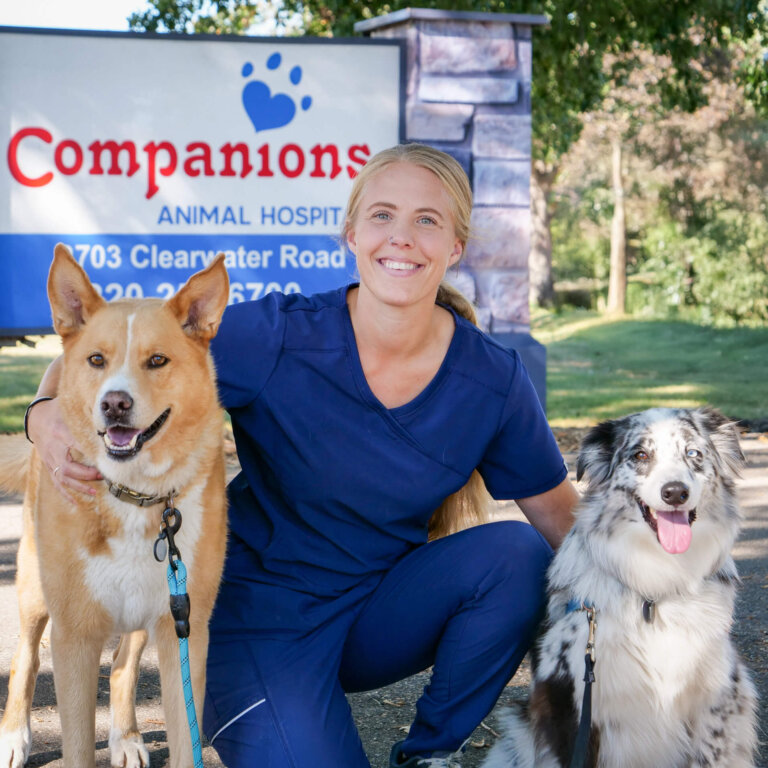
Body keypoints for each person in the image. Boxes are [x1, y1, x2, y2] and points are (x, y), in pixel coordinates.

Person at [27, 143, 578, 768]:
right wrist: (42, 415)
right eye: (382, 216)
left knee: (515, 555)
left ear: (455, 246)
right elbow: (104, 348)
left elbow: (565, 523)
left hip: (375, 616)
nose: (402, 237)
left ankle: (429, 756)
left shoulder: (492, 378)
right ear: (351, 232)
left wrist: (674, 595)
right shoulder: (279, 335)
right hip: (256, 625)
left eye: (427, 220)